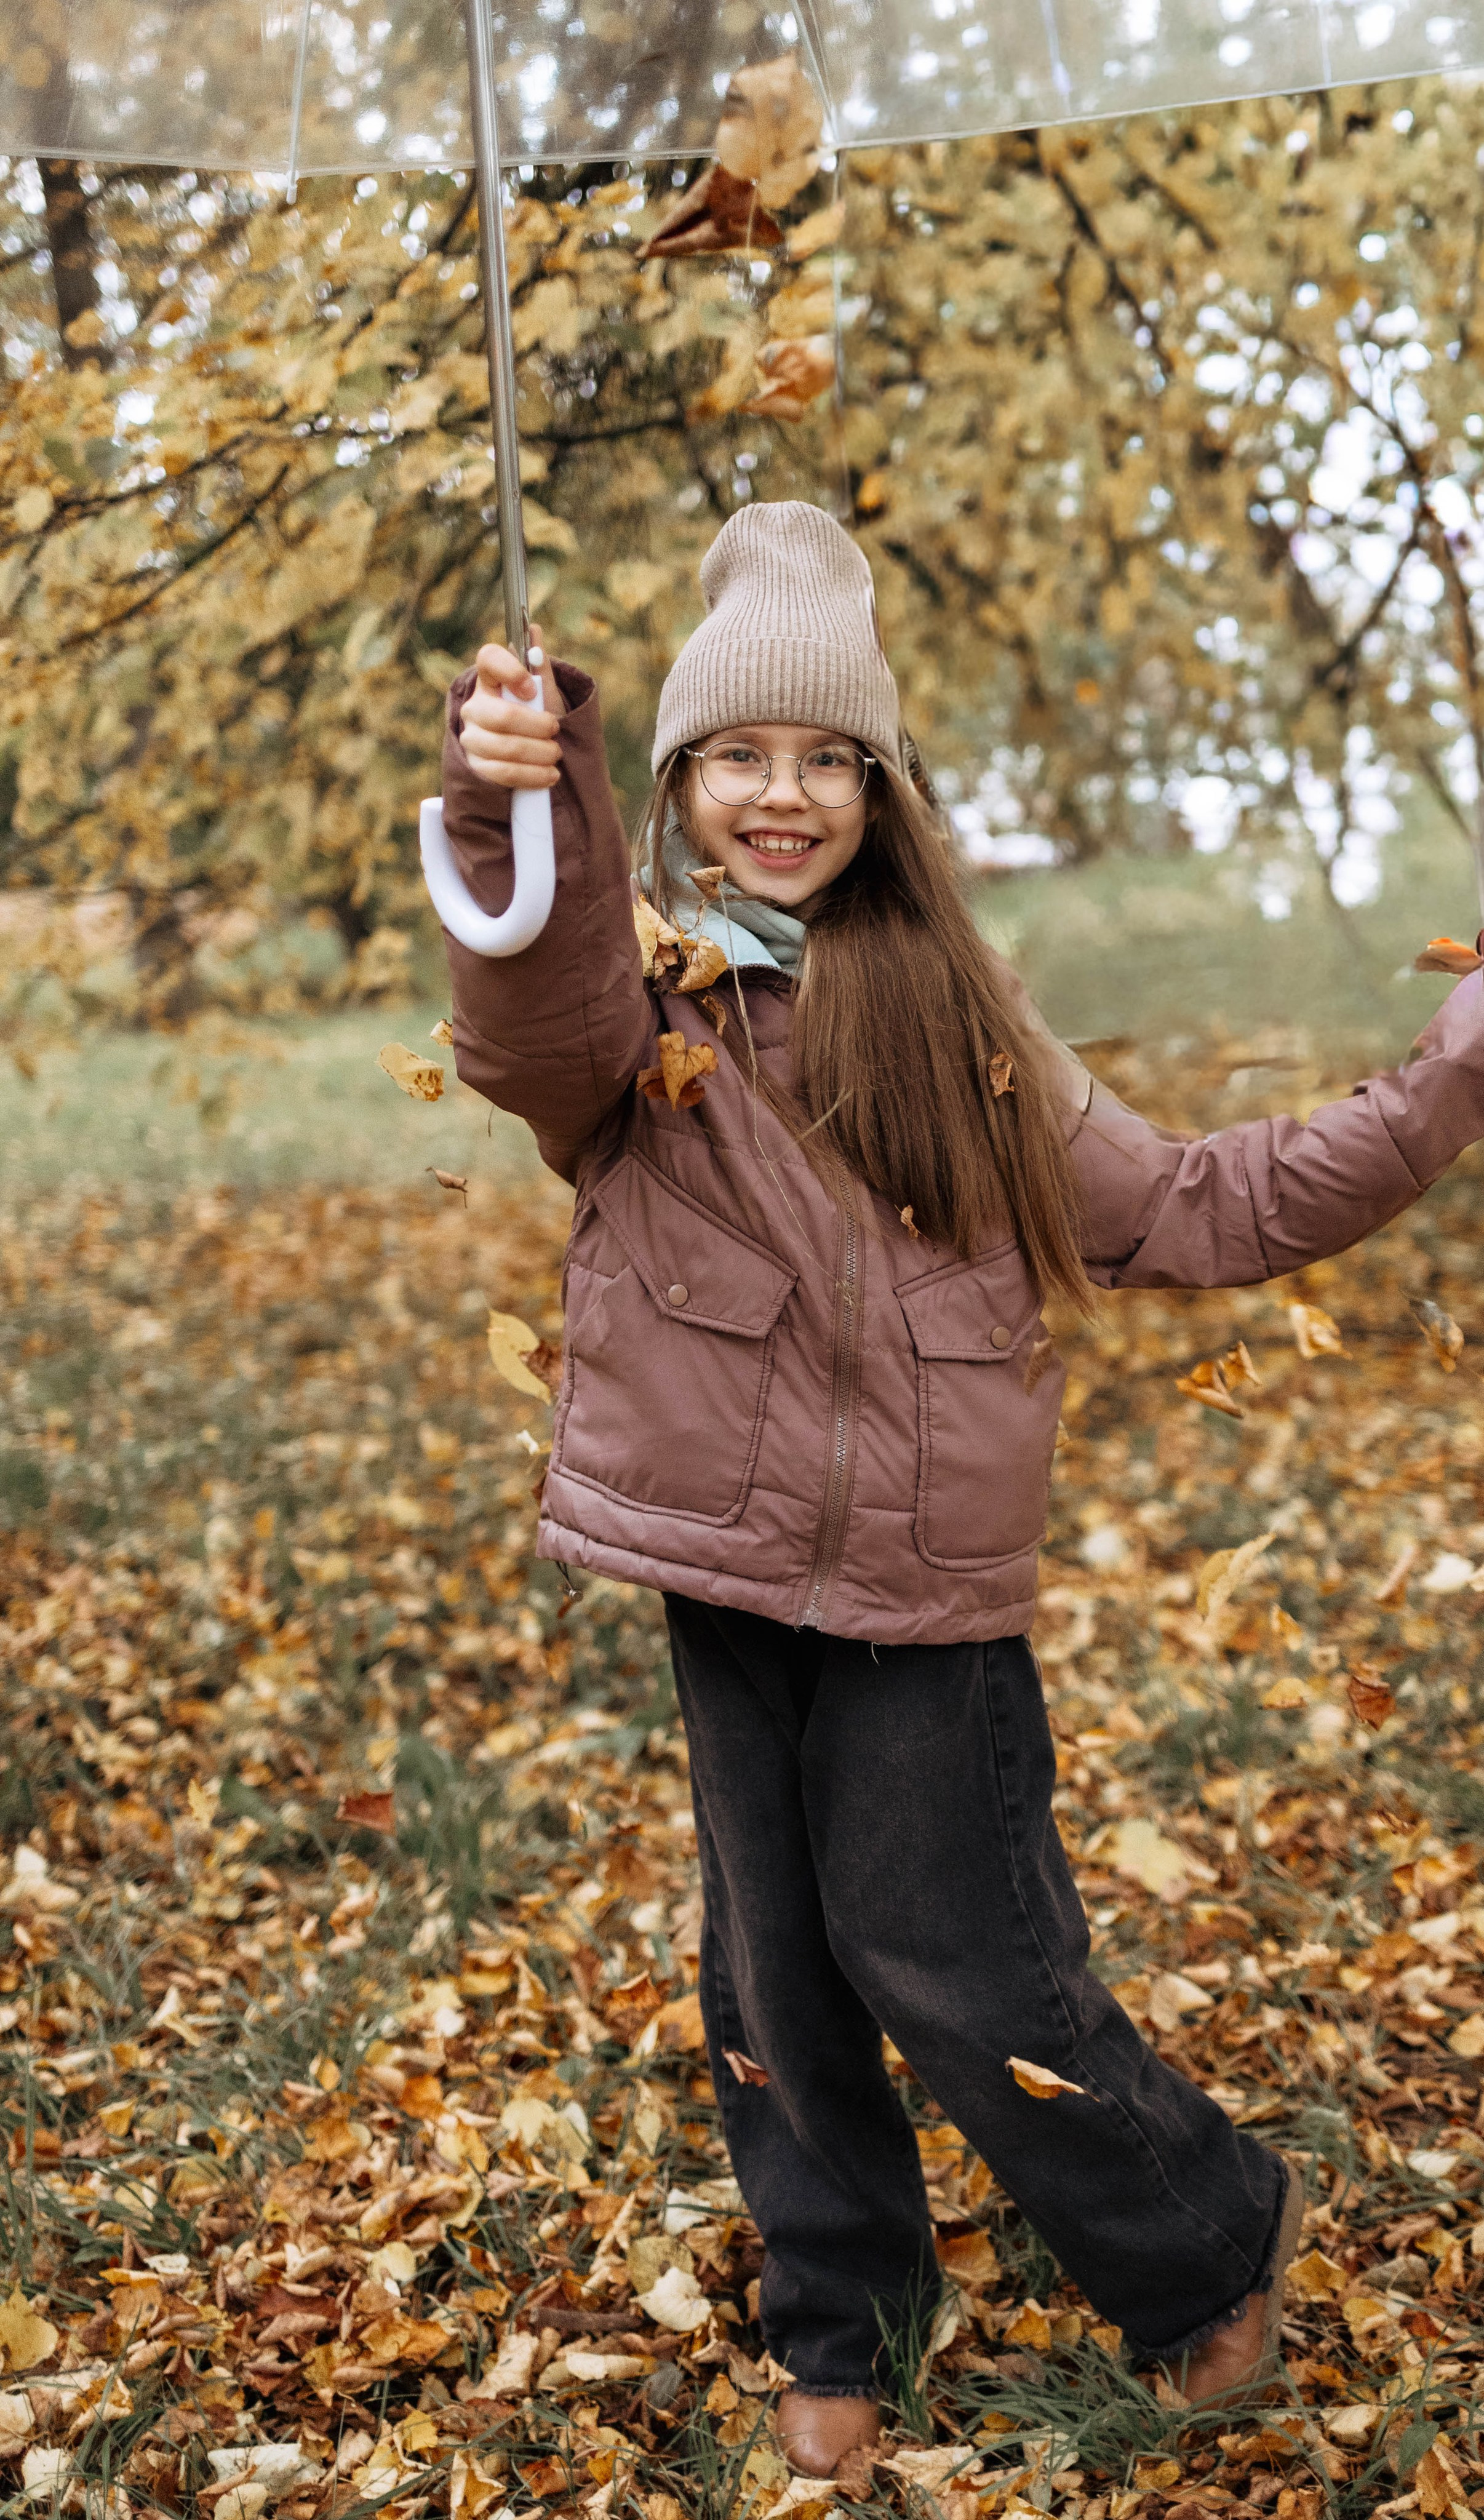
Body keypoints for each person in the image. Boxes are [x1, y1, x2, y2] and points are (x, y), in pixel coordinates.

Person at [437, 501, 1482, 2475]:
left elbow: (1191, 1204)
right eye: (738, 757)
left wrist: (1444, 1077)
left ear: (879, 791)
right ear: (675, 782)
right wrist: (514, 800)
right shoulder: (634, 1008)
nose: (781, 796)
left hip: (926, 1581)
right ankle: (841, 2317)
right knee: (769, 1964)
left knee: (952, 1949)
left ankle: (1199, 2240)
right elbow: (521, 1009)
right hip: (730, 1565)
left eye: (825, 761)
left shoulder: (954, 1021)